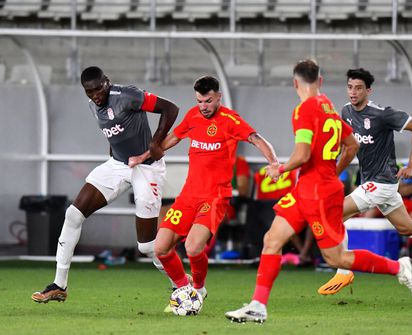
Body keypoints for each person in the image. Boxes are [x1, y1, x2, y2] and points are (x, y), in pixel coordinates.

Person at [225, 59, 412, 324]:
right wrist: (332, 170)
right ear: (320, 81)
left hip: (318, 193)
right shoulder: (328, 106)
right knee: (272, 239)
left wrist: (280, 169)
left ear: (295, 83)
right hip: (306, 189)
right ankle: (258, 305)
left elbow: (303, 154)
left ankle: (400, 267)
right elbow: (351, 146)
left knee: (336, 257)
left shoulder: (303, 110)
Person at [31, 66, 179, 303]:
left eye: (99, 89)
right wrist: (114, 155)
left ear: (107, 82)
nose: (96, 95)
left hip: (147, 167)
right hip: (117, 165)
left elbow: (170, 108)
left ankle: (181, 286)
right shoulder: (93, 105)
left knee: (147, 246)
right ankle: (59, 284)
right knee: (73, 215)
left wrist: (156, 142)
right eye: (90, 92)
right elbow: (115, 134)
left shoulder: (128, 95)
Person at [129, 75, 279, 309]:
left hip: (215, 196)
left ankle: (198, 289)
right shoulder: (192, 116)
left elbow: (258, 140)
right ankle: (184, 290)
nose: (204, 107)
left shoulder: (231, 120)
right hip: (188, 195)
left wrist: (274, 163)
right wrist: (145, 156)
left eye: (208, 101)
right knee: (160, 248)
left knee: (192, 247)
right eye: (200, 101)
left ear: (218, 96)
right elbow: (172, 139)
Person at [317, 68, 412, 296]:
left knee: (334, 213)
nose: (353, 92)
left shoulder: (382, 114)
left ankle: (344, 271)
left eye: (358, 88)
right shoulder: (347, 112)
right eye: (350, 87)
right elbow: (346, 144)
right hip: (374, 182)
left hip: (382, 182)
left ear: (368, 90)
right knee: (406, 227)